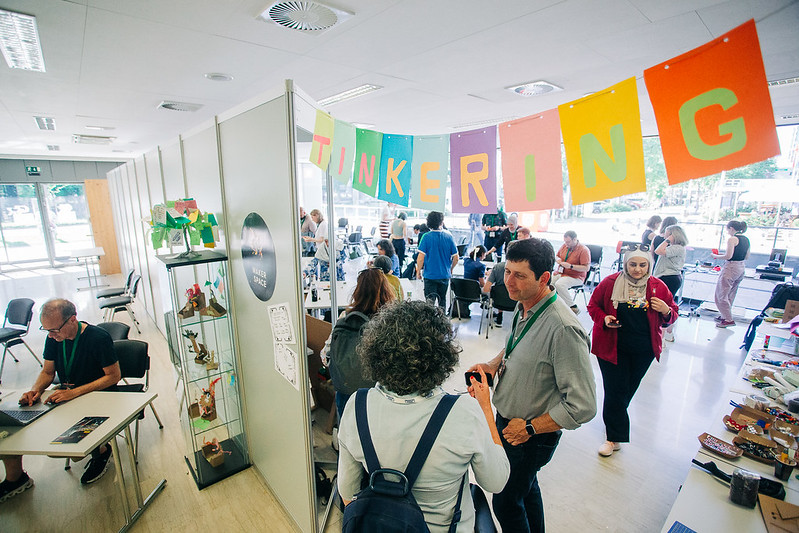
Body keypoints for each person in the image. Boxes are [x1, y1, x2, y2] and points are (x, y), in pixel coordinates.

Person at [337, 300, 510, 532]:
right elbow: (496, 482)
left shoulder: (356, 405)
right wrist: (486, 410)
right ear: (441, 358)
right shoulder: (464, 414)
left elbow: (347, 492)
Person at [467, 238, 596, 532]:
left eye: (519, 275)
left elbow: (583, 406)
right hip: (511, 426)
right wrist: (494, 364)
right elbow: (522, 347)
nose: (508, 282)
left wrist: (529, 428)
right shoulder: (526, 304)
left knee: (506, 502)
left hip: (528, 436)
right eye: (508, 271)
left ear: (544, 278)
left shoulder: (563, 329)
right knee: (526, 489)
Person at [1, 299, 121, 501]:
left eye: (54, 330)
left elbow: (113, 376)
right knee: (11, 429)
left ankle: (102, 450)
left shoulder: (98, 338)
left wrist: (74, 393)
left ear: (72, 320)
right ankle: (16, 478)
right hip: (66, 395)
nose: (50, 335)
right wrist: (35, 390)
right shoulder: (54, 337)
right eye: (46, 330)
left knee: (71, 451)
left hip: (98, 397)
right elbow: (48, 372)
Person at [587, 247, 678, 458]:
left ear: (649, 265)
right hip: (611, 347)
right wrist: (605, 319)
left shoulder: (657, 286)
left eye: (642, 265)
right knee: (615, 390)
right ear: (626, 264)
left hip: (643, 349)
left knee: (627, 390)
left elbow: (672, 314)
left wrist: (665, 309)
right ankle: (613, 438)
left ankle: (615, 420)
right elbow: (593, 307)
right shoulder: (610, 283)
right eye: (633, 264)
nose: (637, 269)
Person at [324, 268, 396, 419]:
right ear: (386, 289)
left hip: (347, 391)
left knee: (348, 434)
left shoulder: (346, 317)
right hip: (382, 393)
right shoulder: (392, 320)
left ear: (357, 290)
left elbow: (325, 355)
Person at [711, 220, 750, 328]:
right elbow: (747, 256)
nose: (727, 232)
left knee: (721, 294)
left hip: (731, 267)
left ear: (731, 228)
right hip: (741, 267)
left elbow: (728, 256)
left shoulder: (732, 239)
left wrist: (716, 256)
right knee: (730, 293)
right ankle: (725, 315)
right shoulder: (746, 239)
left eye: (728, 229)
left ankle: (728, 319)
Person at [653, 225, 688, 342]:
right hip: (668, 277)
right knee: (668, 304)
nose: (665, 237)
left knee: (663, 306)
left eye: (668, 235)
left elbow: (658, 251)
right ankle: (668, 333)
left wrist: (667, 240)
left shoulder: (677, 247)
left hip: (669, 278)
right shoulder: (676, 248)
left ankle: (662, 337)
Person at [416, 211, 458, 309]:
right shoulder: (449, 237)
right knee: (442, 301)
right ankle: (442, 322)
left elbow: (420, 258)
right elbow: (456, 258)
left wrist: (418, 270)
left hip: (430, 275)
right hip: (444, 275)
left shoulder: (426, 237)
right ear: (441, 222)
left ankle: (430, 323)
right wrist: (451, 269)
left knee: (429, 304)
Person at [552, 231, 591, 315]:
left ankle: (573, 307)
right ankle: (554, 304)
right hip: (562, 273)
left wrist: (571, 266)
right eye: (565, 242)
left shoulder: (583, 250)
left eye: (568, 242)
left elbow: (586, 268)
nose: (566, 244)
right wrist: (558, 260)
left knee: (560, 284)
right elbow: (557, 256)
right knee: (548, 281)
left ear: (575, 239)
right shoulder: (565, 246)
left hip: (576, 276)